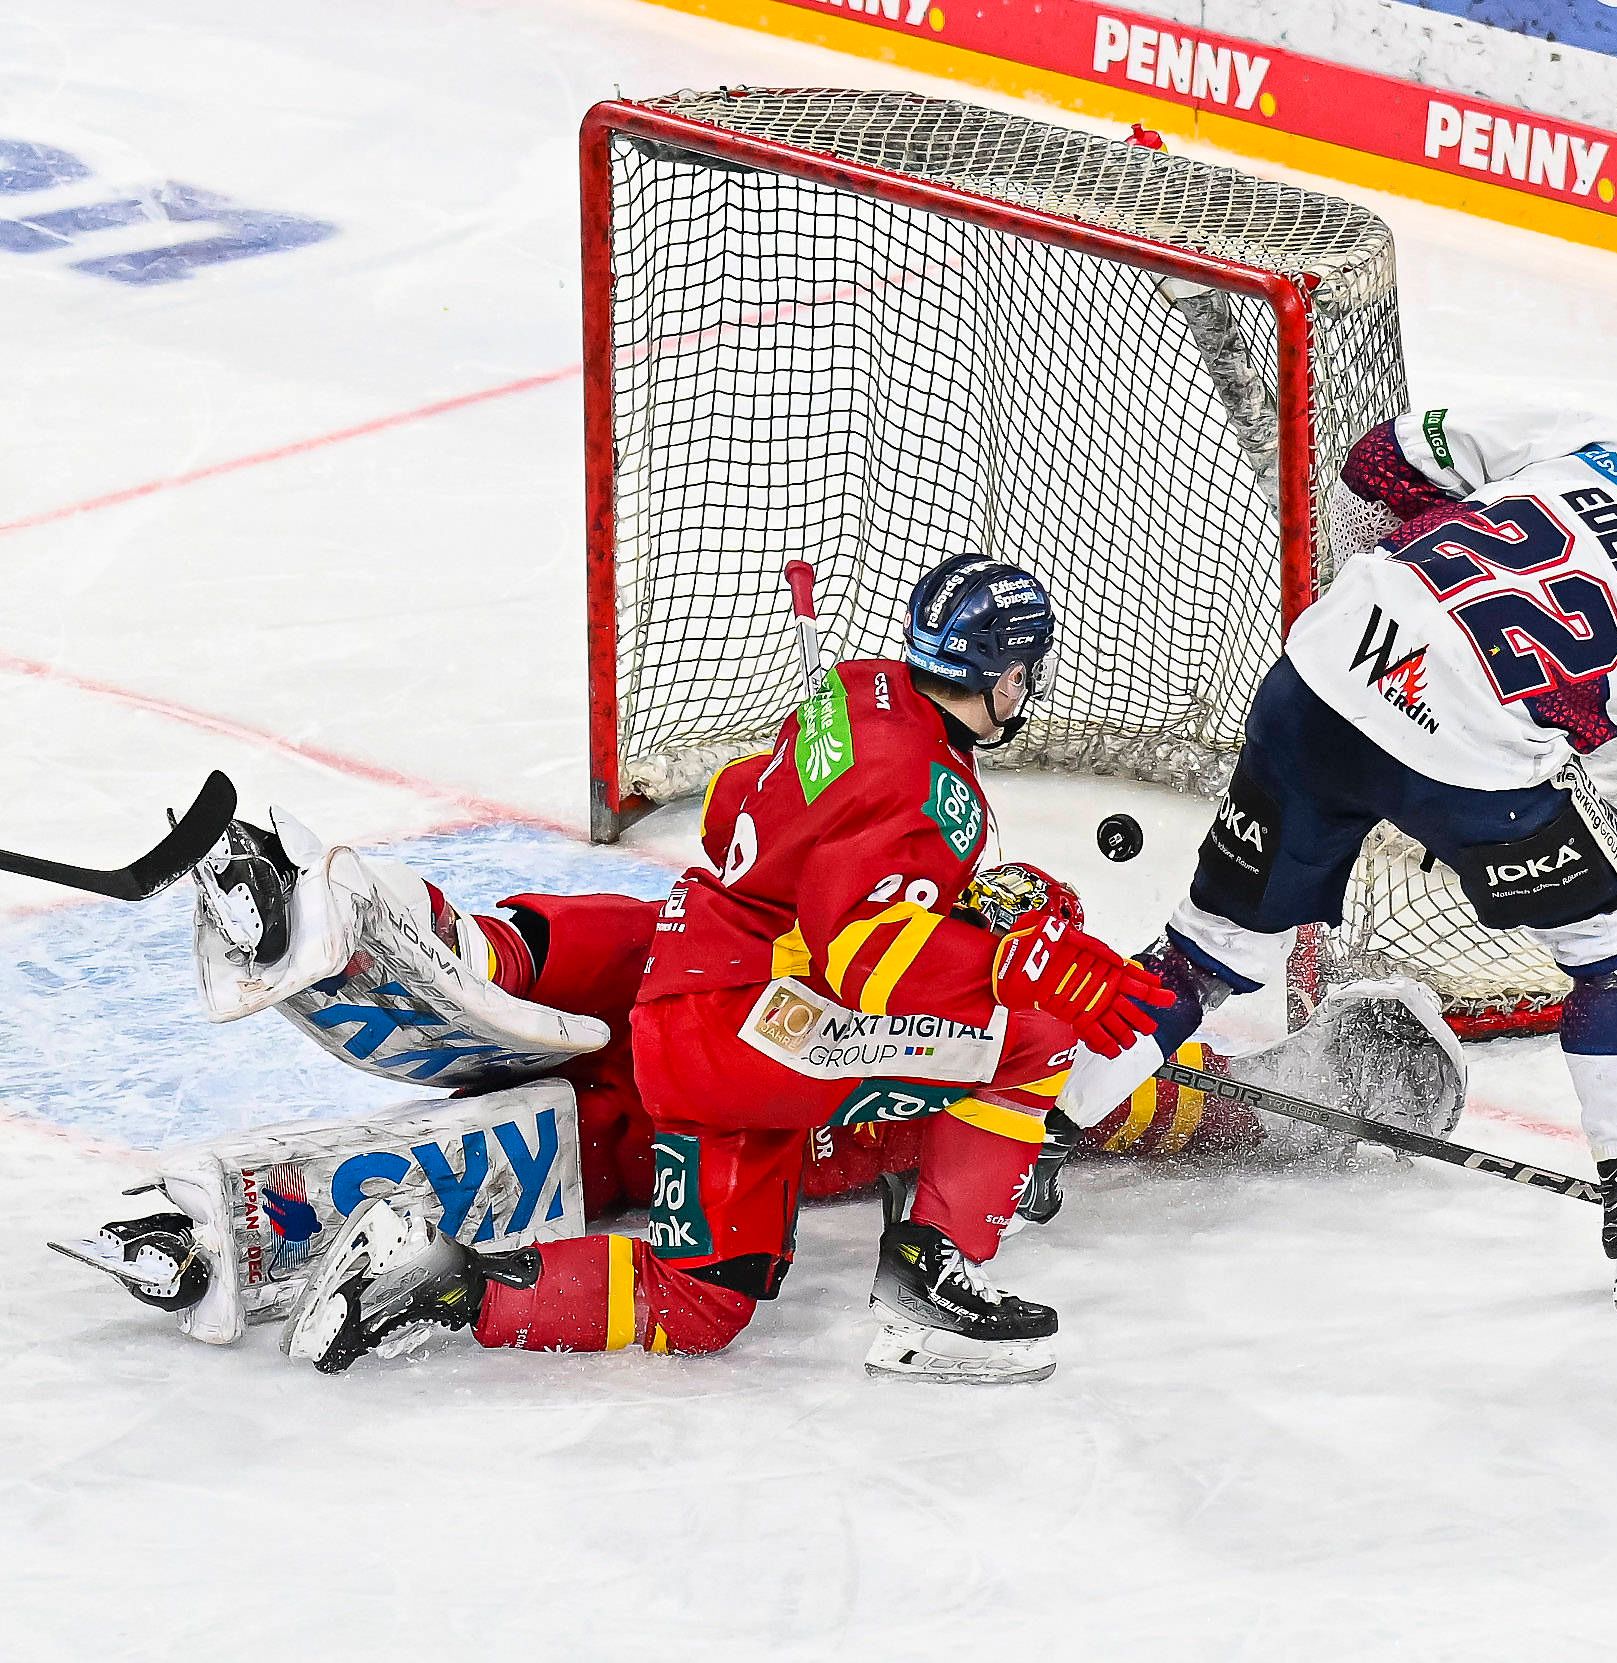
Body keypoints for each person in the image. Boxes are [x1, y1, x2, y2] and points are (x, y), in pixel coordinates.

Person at [278, 554, 1173, 1382]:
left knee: (699, 1301)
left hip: (684, 977)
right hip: (749, 1037)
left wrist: (916, 893)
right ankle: (930, 1295)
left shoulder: (857, 689)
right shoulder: (936, 793)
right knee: (1038, 1033)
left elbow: (731, 808)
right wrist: (1013, 958)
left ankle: (436, 1276)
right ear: (1008, 674)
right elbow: (865, 958)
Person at [1055, 401, 1617, 1312]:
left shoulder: (1604, 441)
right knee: (1616, 939)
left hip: (1322, 672)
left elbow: (1381, 459)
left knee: (1218, 941)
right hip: (1472, 759)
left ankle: (1032, 1127)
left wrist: (1421, 616)